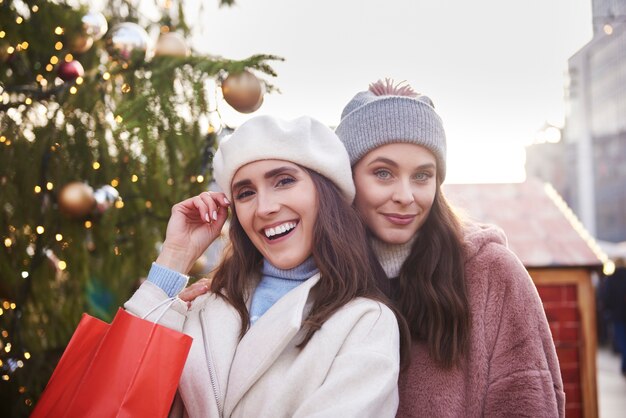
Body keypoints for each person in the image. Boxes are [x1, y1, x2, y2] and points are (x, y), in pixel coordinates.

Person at [125, 115, 409, 417]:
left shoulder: (366, 323)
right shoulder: (201, 305)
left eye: (284, 181)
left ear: (326, 193)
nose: (265, 208)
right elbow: (121, 392)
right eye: (246, 193)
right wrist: (175, 254)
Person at [333, 79, 565, 417]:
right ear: (348, 179)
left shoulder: (491, 273)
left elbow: (528, 401)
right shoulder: (324, 276)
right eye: (383, 173)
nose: (405, 195)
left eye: (422, 176)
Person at [603, 258, 626, 376]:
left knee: (622, 341)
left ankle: (624, 366)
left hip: (617, 315)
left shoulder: (610, 279)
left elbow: (606, 298)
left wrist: (609, 310)